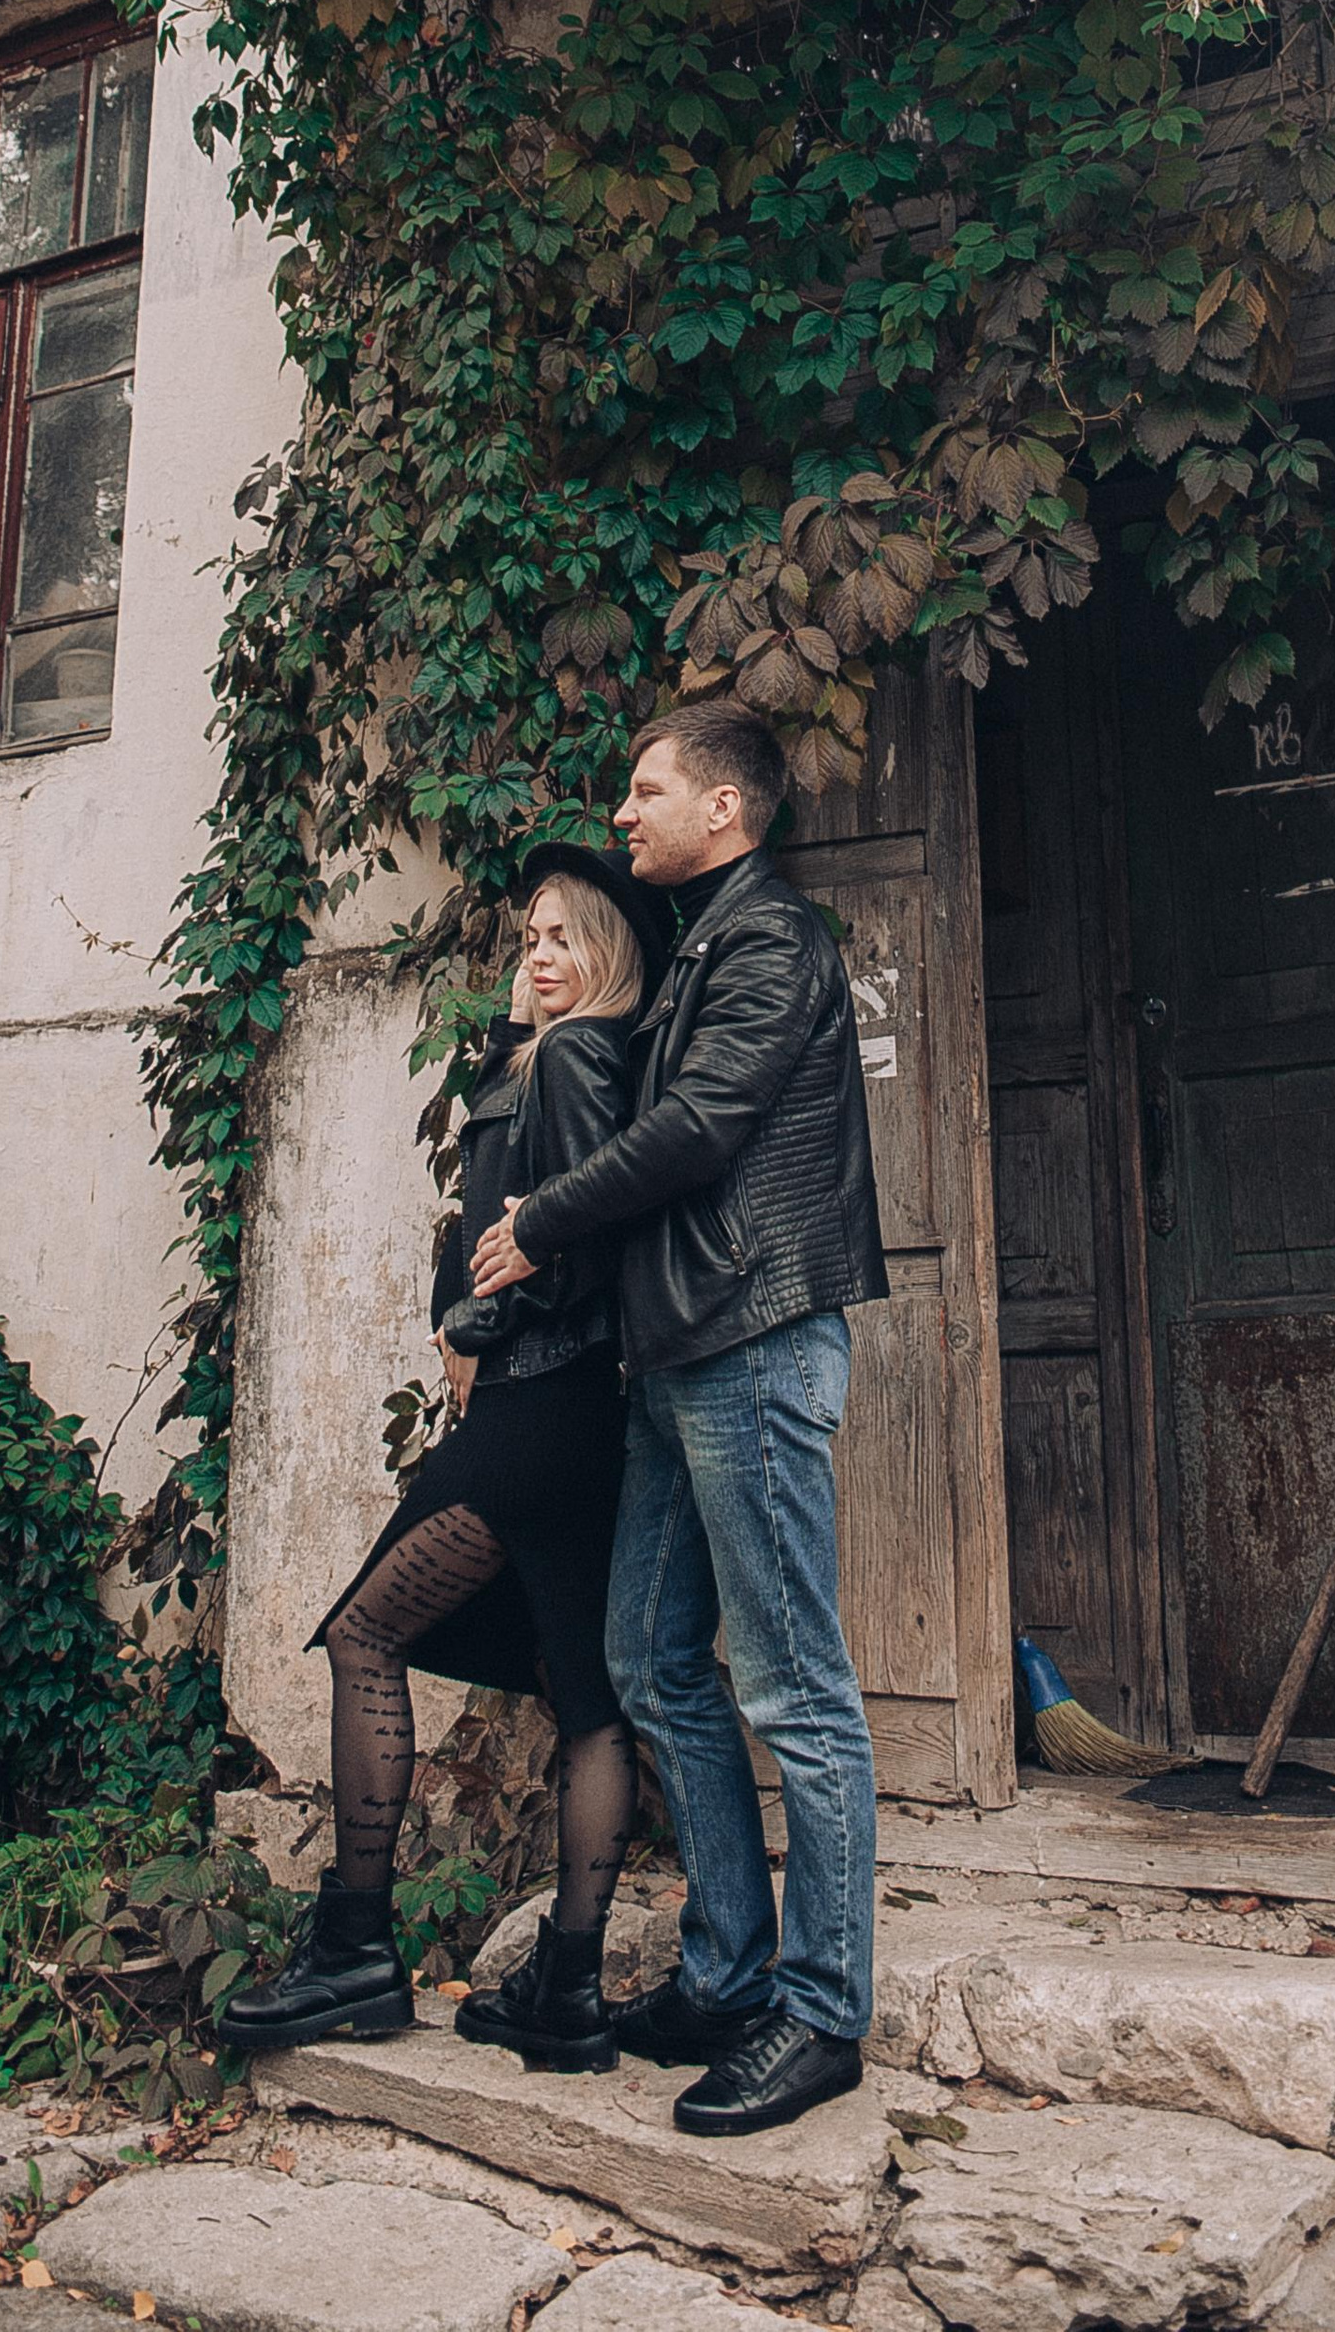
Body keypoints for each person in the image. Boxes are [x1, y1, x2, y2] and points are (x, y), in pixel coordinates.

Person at [470, 701, 887, 2141]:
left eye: (648, 789)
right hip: (681, 1353)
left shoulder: (772, 937)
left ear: (727, 807)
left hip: (755, 1340)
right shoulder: (703, 945)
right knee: (653, 1656)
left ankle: (822, 2009)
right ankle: (725, 1973)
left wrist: (538, 1221)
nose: (624, 809)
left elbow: (703, 1127)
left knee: (794, 1683)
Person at [216, 842, 673, 2072]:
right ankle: (566, 1995)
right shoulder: (539, 1057)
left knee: (366, 1634)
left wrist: (475, 1325)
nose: (536, 953)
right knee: (588, 1698)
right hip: (576, 1412)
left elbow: (573, 1236)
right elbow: (492, 1224)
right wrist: (457, 1300)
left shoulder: (575, 1055)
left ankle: (354, 1949)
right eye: (528, 936)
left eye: (564, 936)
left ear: (609, 958)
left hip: (534, 1408)